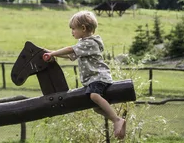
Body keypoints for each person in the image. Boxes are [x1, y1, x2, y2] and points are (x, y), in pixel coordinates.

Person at [43, 11, 126, 140]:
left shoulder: (90, 43)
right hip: (93, 79)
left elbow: (70, 50)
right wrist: (51, 53)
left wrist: (53, 54)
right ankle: (118, 119)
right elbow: (70, 55)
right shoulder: (83, 44)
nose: (72, 32)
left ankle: (116, 120)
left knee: (94, 95)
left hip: (99, 77)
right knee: (96, 108)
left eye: (73, 29)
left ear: (83, 28)